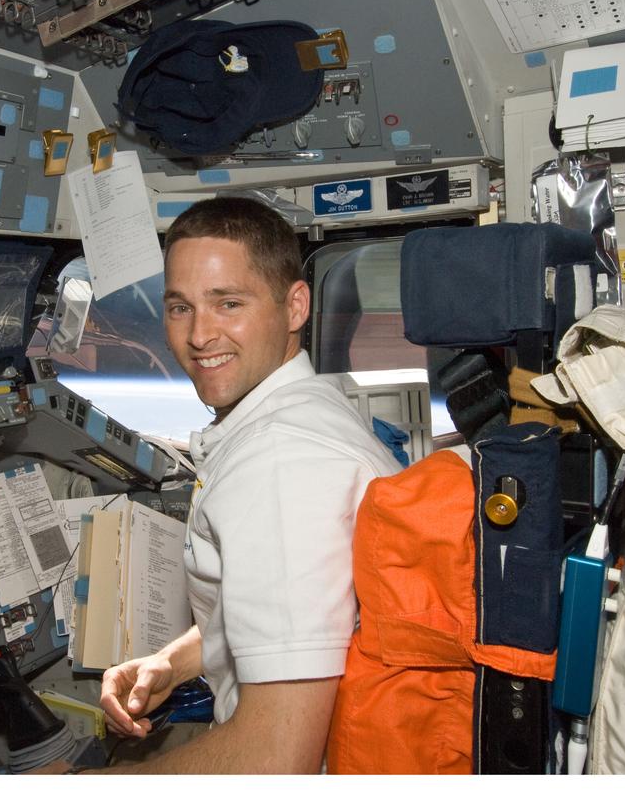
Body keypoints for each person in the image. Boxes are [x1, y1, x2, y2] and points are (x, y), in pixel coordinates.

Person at [86, 197, 401, 773]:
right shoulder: (300, 413)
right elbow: (288, 616)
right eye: (180, 307)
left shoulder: (281, 464)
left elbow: (274, 759)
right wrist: (173, 663)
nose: (199, 334)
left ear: (295, 306)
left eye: (228, 303)